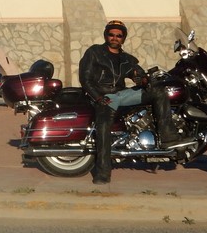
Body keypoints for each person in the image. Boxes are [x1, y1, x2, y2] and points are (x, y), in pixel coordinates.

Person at [78, 19, 193, 185]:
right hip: (104, 96)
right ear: (106, 35)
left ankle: (168, 136)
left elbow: (136, 73)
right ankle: (103, 172)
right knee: (103, 127)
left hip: (121, 94)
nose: (114, 38)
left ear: (123, 38)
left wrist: (143, 80)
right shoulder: (94, 52)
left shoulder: (126, 58)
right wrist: (98, 97)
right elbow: (85, 78)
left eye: (119, 35)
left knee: (159, 92)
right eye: (111, 34)